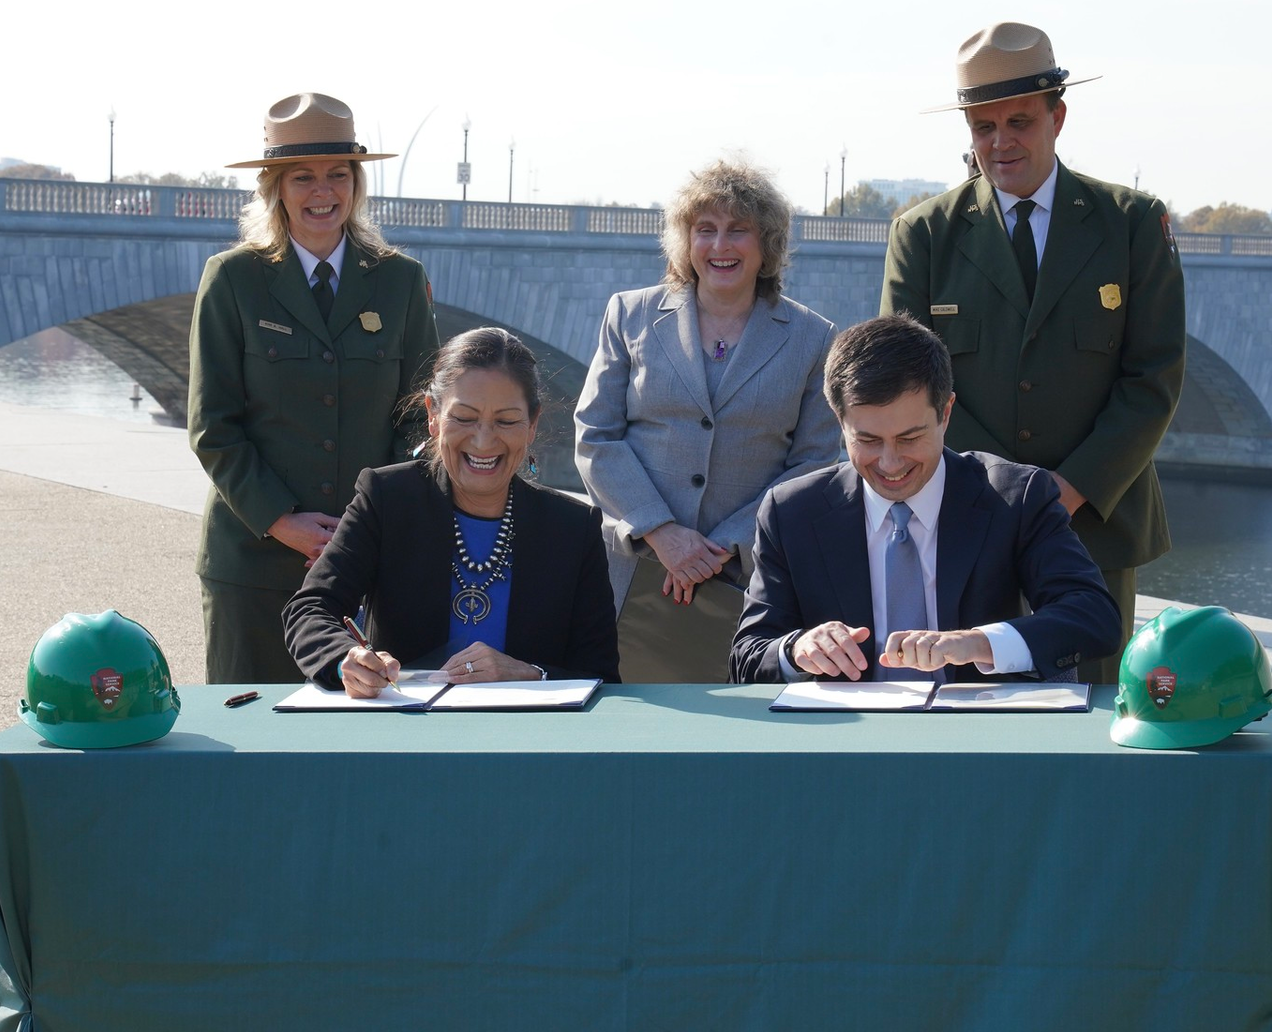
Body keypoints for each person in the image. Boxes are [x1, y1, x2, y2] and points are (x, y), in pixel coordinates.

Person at [879, 22, 1185, 683]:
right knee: (966, 722)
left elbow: (1153, 379)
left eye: (1018, 121)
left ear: (1059, 117)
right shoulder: (924, 234)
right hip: (964, 521)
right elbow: (903, 386)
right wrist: (1000, 496)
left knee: (1098, 723)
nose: (1000, 142)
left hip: (1094, 525)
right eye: (982, 127)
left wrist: (1065, 491)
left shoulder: (1130, 224)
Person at [189, 92, 439, 684]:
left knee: (361, 740)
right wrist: (282, 520)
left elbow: (421, 417)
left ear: (356, 184)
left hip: (369, 564)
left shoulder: (400, 282)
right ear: (274, 187)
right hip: (253, 561)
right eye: (302, 176)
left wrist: (372, 522)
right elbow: (212, 426)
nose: (322, 192)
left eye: (337, 175)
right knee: (250, 737)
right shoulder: (232, 280)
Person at [731, 316, 1121, 685]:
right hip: (848, 740)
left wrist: (979, 643)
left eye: (909, 438)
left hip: (977, 737)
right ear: (839, 419)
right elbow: (748, 656)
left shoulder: (1015, 497)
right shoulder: (792, 511)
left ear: (946, 413)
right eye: (867, 440)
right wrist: (796, 648)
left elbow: (1093, 617)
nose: (890, 463)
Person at [287, 328, 620, 697]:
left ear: (533, 425)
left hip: (527, 741)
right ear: (432, 415)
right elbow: (311, 608)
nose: (483, 440)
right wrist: (344, 658)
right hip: (406, 732)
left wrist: (531, 674)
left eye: (506, 421)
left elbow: (600, 673)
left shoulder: (574, 527)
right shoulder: (385, 498)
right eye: (464, 417)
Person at [575, 160, 840, 614]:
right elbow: (596, 436)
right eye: (705, 229)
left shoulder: (814, 338)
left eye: (738, 230)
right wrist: (661, 531)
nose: (720, 245)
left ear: (766, 243)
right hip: (630, 571)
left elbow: (814, 464)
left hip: (749, 576)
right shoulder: (629, 314)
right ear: (685, 240)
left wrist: (724, 545)